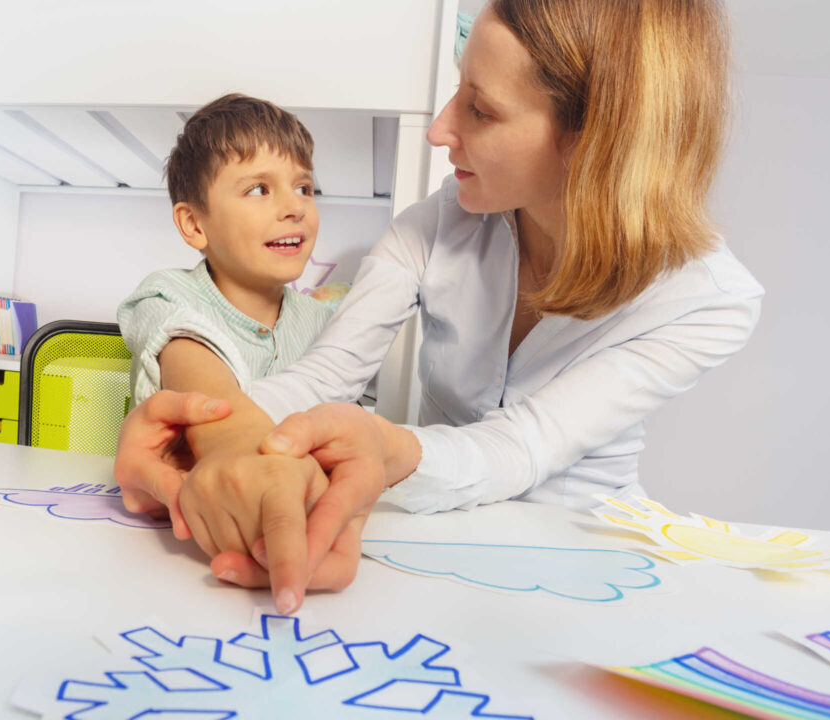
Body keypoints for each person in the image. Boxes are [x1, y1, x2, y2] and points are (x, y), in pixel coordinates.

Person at [116, 0, 763, 614]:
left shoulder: (707, 301)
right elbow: (322, 378)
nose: (438, 129)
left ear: (593, 142)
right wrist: (212, 434)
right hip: (425, 545)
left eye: (479, 109)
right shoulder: (432, 226)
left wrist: (383, 448)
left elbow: (523, 446)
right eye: (459, 87)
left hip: (581, 560)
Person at [116, 95, 358, 612]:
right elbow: (189, 359)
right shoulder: (166, 296)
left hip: (288, 536)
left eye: (304, 187)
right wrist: (232, 440)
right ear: (195, 225)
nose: (293, 206)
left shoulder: (323, 325)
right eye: (258, 189)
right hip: (164, 565)